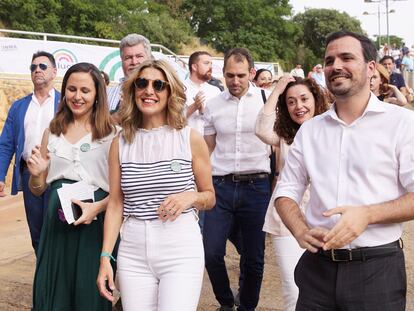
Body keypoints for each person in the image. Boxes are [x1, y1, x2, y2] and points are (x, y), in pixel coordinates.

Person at [275, 30, 414, 310]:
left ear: (370, 67)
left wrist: (367, 214)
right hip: (317, 269)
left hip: (377, 271)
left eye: (347, 57)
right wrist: (300, 229)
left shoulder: (402, 124)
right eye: (329, 60)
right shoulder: (310, 130)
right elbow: (286, 190)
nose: (335, 65)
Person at [96, 59, 215, 311]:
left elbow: (209, 196)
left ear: (169, 92)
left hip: (180, 245)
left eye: (158, 85)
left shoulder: (189, 139)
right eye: (142, 83)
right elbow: (116, 203)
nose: (149, 90)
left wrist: (190, 197)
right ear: (133, 90)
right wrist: (106, 257)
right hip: (133, 249)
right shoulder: (120, 143)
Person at [28, 62, 117, 310]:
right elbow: (38, 188)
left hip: (95, 228)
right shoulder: (51, 132)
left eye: (85, 91)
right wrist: (36, 175)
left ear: (98, 94)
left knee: (89, 294)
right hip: (57, 227)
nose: (77, 97)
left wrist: (97, 208)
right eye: (71, 89)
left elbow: (121, 193)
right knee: (54, 293)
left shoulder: (113, 135)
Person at [203, 47, 271, 311]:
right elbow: (207, 148)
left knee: (254, 258)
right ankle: (226, 302)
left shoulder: (266, 100)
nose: (235, 81)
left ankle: (247, 307)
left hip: (257, 186)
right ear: (223, 74)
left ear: (252, 73)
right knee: (211, 252)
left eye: (241, 75)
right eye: (230, 75)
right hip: (220, 185)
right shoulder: (213, 105)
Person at [255, 76, 328, 311]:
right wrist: (277, 90)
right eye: (291, 102)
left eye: (304, 99)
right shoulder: (285, 136)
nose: (299, 106)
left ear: (316, 100)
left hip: (326, 219)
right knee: (294, 288)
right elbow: (261, 128)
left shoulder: (333, 131)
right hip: (286, 220)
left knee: (326, 289)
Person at [0, 51, 60, 253]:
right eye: (33, 67)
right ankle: (43, 276)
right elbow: (6, 144)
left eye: (43, 66)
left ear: (54, 71)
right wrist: (0, 176)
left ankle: (55, 278)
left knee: (58, 228)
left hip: (59, 173)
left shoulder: (65, 104)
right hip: (30, 174)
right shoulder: (19, 107)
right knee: (36, 231)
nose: (37, 70)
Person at [107, 33, 152, 115]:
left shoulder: (161, 93)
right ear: (122, 61)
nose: (134, 62)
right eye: (128, 58)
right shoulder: (106, 95)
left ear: (149, 59)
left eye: (139, 56)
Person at [184, 51, 221, 136]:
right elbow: (173, 118)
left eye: (211, 64)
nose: (210, 67)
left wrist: (203, 112)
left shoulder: (215, 91)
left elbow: (219, 121)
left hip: (209, 145)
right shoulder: (179, 87)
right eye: (206, 63)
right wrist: (194, 106)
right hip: (185, 144)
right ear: (194, 67)